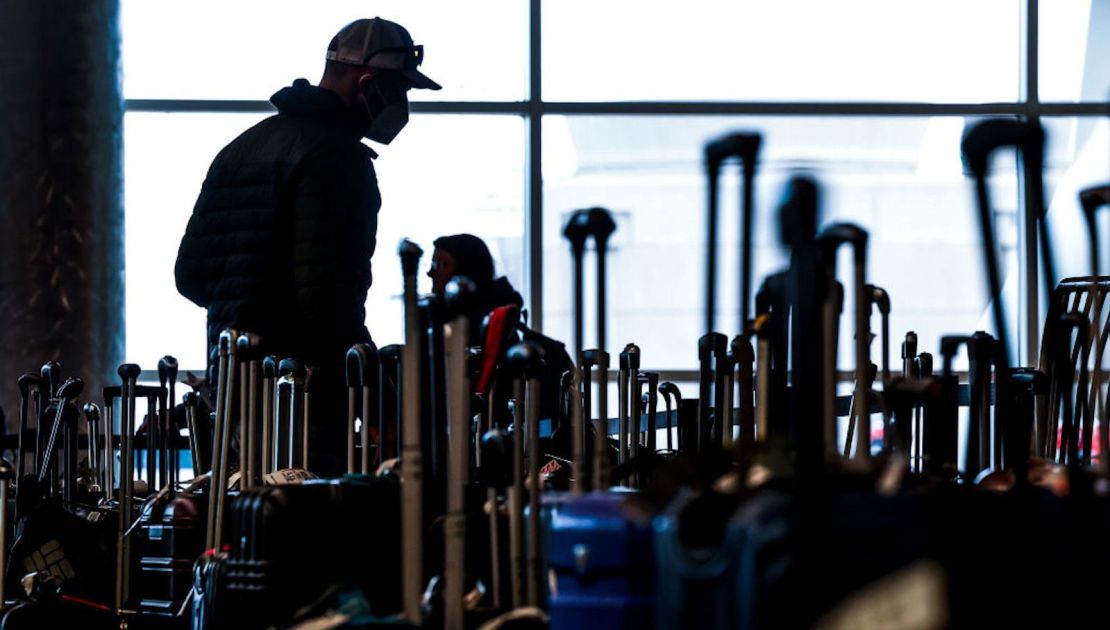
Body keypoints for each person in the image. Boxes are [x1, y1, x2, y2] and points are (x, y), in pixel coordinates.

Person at [175, 18, 440, 476]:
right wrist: (380, 403)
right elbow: (328, 302)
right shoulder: (337, 158)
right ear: (368, 84)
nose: (401, 105)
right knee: (306, 528)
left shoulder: (241, 148)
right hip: (300, 397)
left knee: (245, 527)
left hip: (230, 388)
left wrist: (251, 313)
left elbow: (191, 276)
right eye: (399, 90)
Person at [428, 234, 574, 421]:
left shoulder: (484, 329)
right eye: (432, 264)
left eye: (441, 265)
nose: (431, 273)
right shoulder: (491, 321)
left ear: (466, 273)